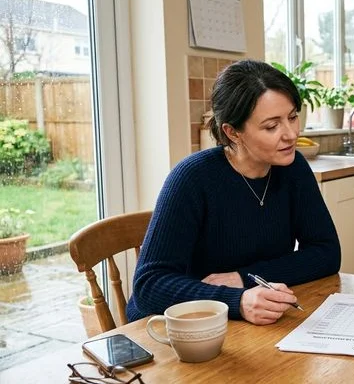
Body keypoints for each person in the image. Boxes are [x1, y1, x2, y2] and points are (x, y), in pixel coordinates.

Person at [127, 60, 341, 325]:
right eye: (272, 126)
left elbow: (327, 253)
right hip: (172, 327)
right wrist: (235, 300)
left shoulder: (293, 168)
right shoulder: (192, 178)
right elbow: (150, 285)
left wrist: (244, 278)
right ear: (232, 132)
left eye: (293, 117)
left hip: (244, 325)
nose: (291, 134)